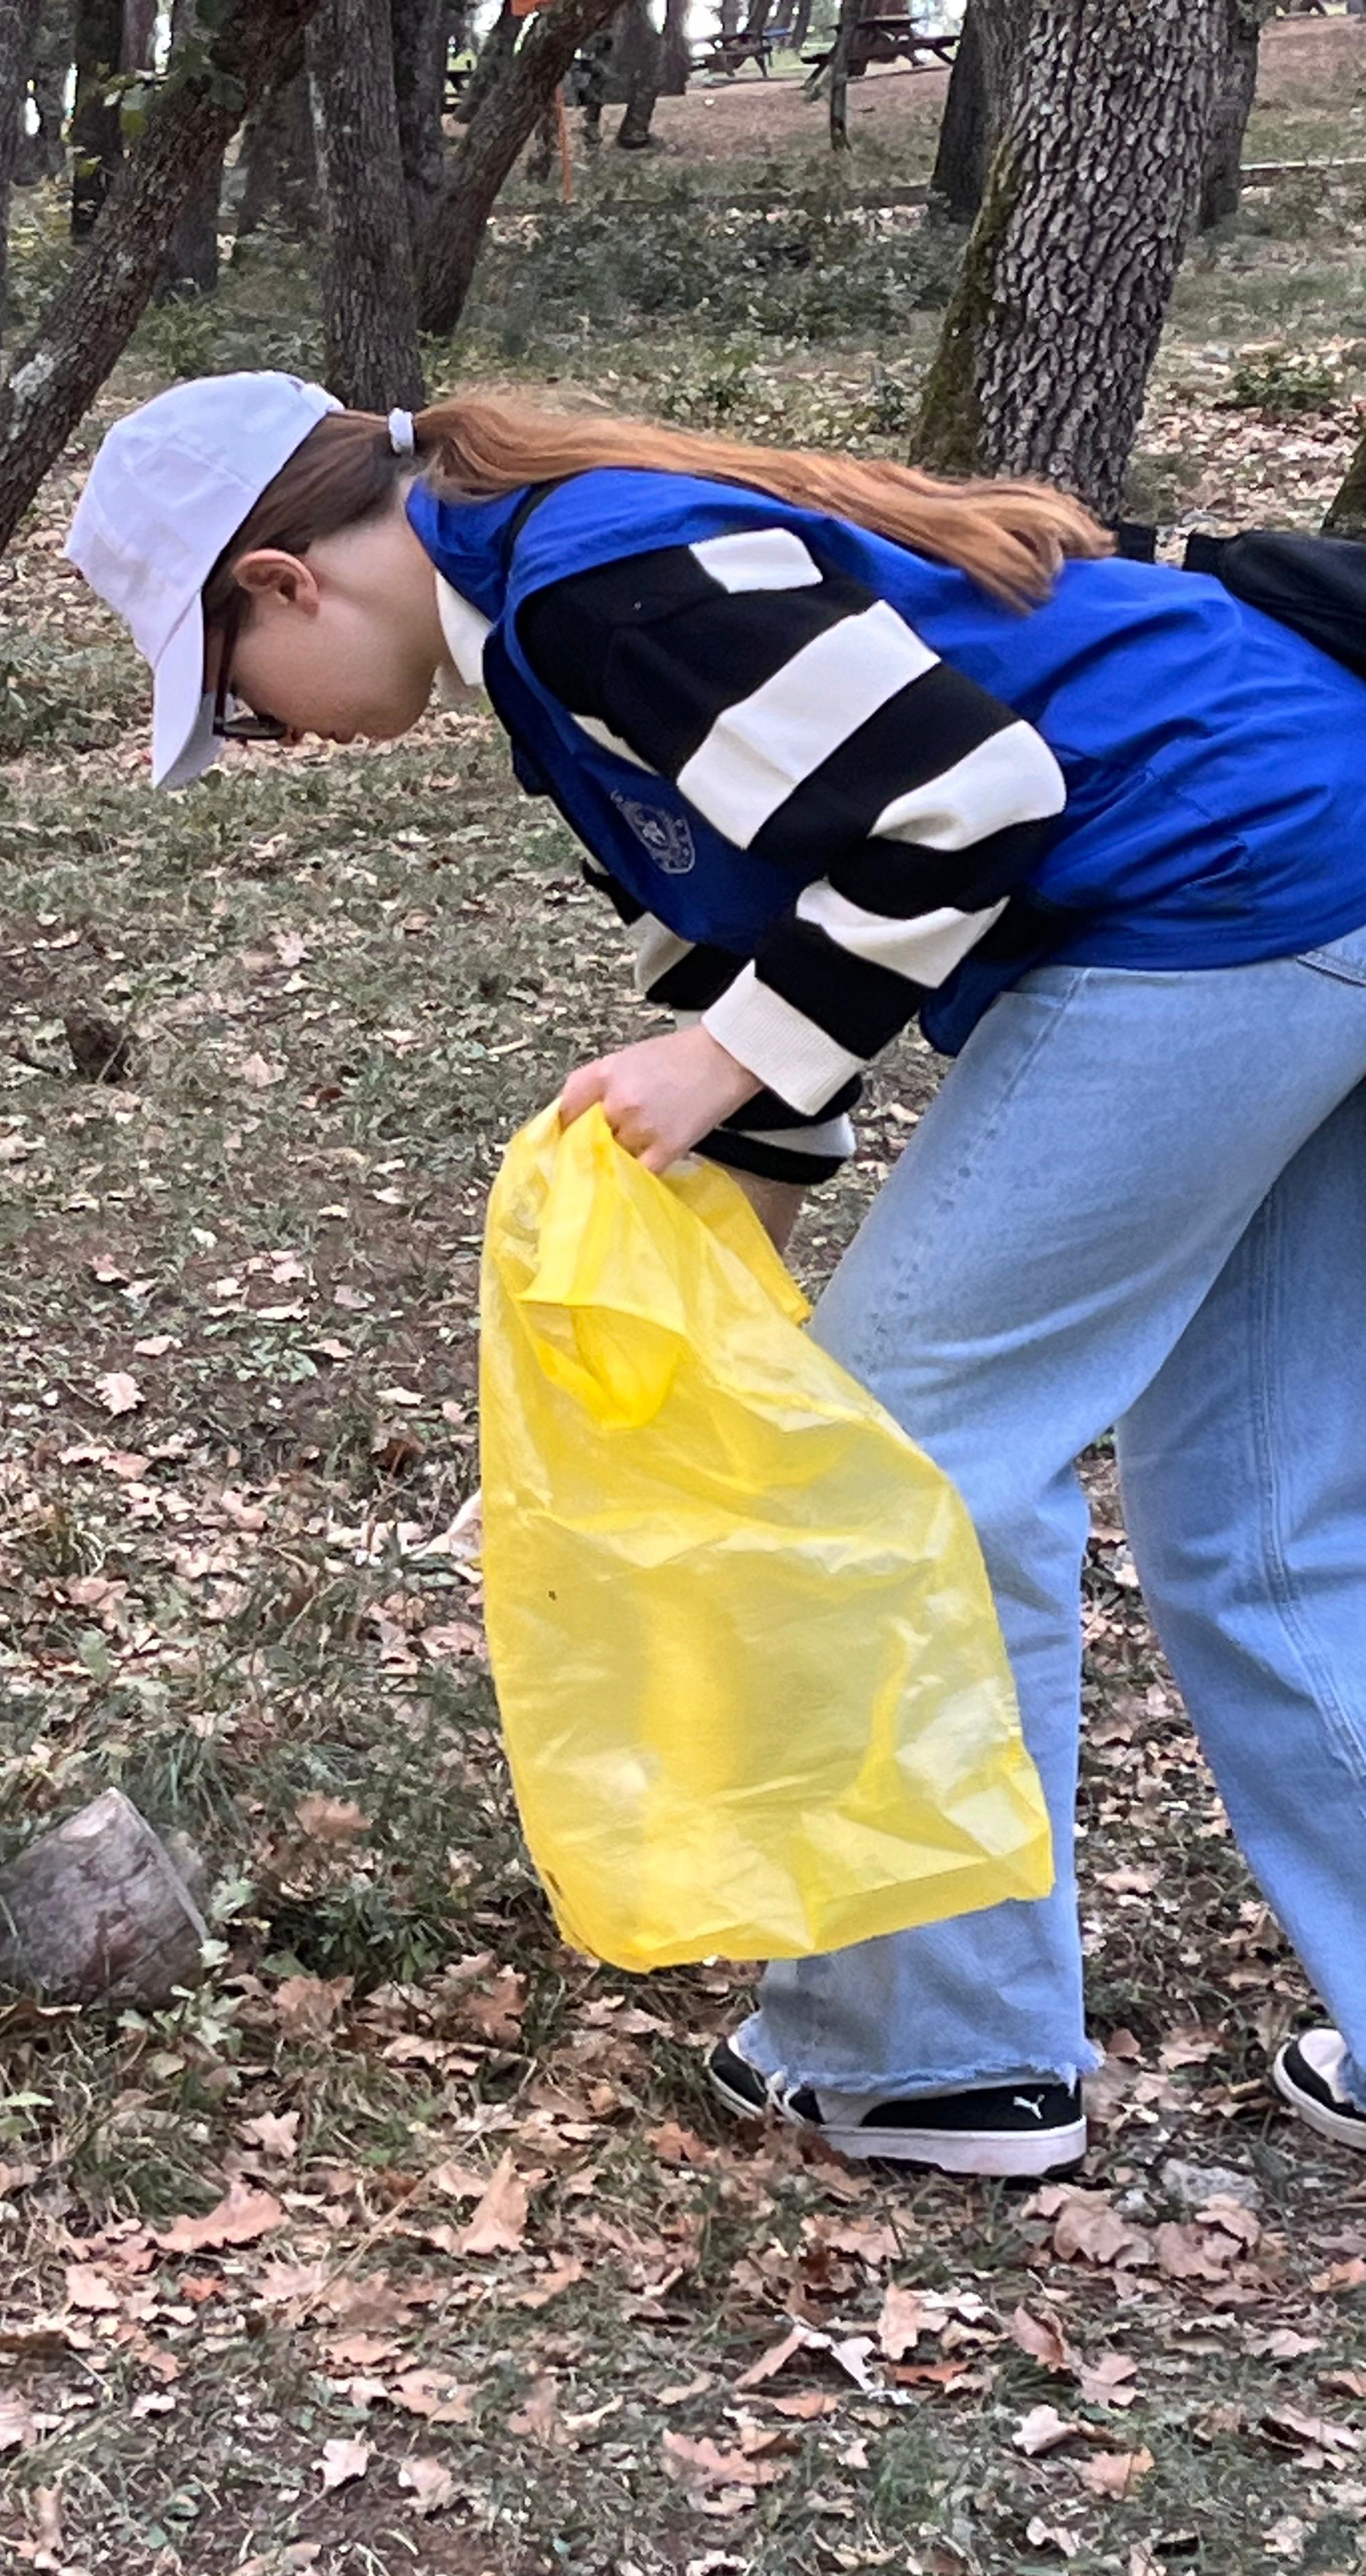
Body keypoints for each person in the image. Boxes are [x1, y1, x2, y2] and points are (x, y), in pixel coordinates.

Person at [66, 370, 1366, 2180]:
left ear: (282, 583)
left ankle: (937, 2057)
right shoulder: (549, 624)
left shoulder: (587, 579)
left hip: (1229, 888)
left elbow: (966, 804)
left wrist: (731, 1065)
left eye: (240, 707)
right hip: (1315, 862)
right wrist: (686, 1327)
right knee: (1265, 1518)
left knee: (899, 1468)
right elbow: (781, 944)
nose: (273, 740)